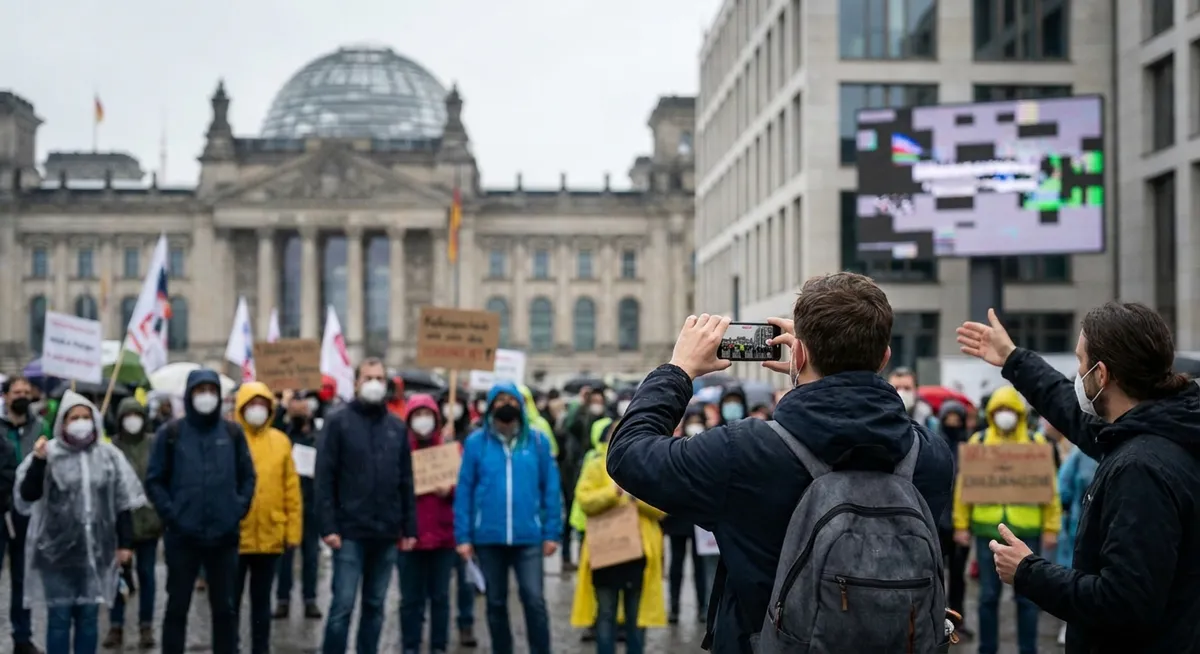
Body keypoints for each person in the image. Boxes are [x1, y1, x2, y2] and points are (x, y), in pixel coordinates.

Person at [606, 272, 955, 652]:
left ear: (799, 354)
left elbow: (628, 453)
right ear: (885, 358)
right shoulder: (930, 456)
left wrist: (678, 369)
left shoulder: (744, 452)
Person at [957, 304, 1200, 653]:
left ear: (1101, 375)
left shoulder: (1140, 468)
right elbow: (1072, 414)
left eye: (1080, 361)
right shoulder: (1160, 431)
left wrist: (1028, 571)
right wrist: (1013, 360)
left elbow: (1123, 603)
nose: (1077, 375)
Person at [15, 391, 146, 654]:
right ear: (62, 422)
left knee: (88, 620)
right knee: (60, 619)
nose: (81, 422)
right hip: (56, 555)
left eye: (86, 417)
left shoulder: (108, 456)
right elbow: (28, 496)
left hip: (95, 552)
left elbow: (121, 502)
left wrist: (125, 544)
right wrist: (39, 462)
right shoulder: (49, 453)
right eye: (74, 417)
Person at [144, 369, 257, 654]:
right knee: (177, 607)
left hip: (224, 537)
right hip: (183, 538)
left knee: (225, 610)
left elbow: (248, 477)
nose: (205, 396)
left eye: (211, 390)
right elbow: (155, 480)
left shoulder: (232, 433)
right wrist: (173, 515)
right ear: (190, 394)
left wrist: (237, 509)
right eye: (200, 390)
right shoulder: (170, 433)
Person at [316, 358, 418, 654]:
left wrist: (409, 526)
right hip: (348, 531)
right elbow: (325, 477)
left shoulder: (396, 428)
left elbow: (406, 480)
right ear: (357, 382)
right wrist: (328, 525)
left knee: (375, 607)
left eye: (380, 377)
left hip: (386, 531)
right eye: (369, 377)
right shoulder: (338, 421)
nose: (375, 383)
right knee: (342, 606)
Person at [454, 380, 561, 654]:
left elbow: (550, 488)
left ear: (522, 407)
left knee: (534, 600)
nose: (506, 406)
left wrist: (552, 532)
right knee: (495, 603)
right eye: (500, 401)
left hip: (529, 538)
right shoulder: (476, 443)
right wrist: (463, 536)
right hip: (489, 538)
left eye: (512, 400)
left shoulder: (537, 441)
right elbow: (465, 490)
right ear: (490, 407)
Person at [951, 386, 1061, 654]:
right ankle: (986, 649)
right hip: (986, 530)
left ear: (1019, 414)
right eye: (999, 410)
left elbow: (1050, 489)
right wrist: (961, 524)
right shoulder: (978, 442)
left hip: (1027, 530)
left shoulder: (1035, 444)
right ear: (990, 413)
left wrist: (1050, 527)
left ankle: (1028, 650)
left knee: (1027, 598)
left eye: (1009, 410)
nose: (1004, 415)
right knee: (988, 596)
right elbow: (964, 487)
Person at [571, 419, 667, 654]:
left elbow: (662, 508)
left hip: (640, 553)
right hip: (604, 551)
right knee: (605, 613)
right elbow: (584, 500)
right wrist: (613, 493)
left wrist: (634, 496)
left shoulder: (648, 465)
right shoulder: (595, 464)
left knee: (636, 616)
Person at [233, 382, 302, 654]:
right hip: (237, 535)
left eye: (262, 405)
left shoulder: (281, 441)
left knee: (262, 603)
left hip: (271, 535)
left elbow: (291, 490)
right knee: (231, 602)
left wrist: (293, 531)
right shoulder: (231, 438)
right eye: (252, 405)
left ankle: (260, 649)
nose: (257, 410)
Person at [398, 394, 458, 654]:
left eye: (427, 415)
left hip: (444, 537)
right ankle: (410, 646)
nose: (423, 421)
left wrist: (451, 490)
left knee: (441, 598)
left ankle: (439, 647)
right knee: (411, 600)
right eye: (417, 415)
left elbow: (465, 488)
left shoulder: (450, 449)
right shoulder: (399, 451)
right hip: (410, 537)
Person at [104, 398, 162, 650]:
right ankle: (116, 625)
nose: (132, 419)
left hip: (149, 523)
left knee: (147, 575)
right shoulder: (111, 448)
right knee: (118, 578)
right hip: (120, 525)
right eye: (127, 415)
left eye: (136, 414)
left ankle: (146, 625)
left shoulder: (153, 444)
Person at [274, 391, 323, 620]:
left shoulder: (318, 431)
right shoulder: (283, 431)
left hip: (312, 503)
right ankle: (283, 599)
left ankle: (310, 599)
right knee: (285, 557)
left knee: (311, 555)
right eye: (296, 401)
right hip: (286, 503)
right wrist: (283, 407)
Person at [435, 389, 478, 648]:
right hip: (438, 520)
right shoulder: (435, 436)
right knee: (439, 583)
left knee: (465, 579)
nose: (453, 409)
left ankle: (466, 623)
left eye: (458, 404)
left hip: (464, 519)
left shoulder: (472, 437)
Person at [662, 404, 709, 624]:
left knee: (699, 567)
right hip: (677, 516)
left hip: (699, 519)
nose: (694, 426)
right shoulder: (675, 445)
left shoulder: (710, 446)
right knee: (676, 565)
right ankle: (673, 606)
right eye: (691, 421)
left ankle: (703, 606)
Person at [0, 377, 37, 654]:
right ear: (5, 396)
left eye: (26, 391)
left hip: (29, 514)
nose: (22, 396)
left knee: (23, 578)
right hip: (1, 511)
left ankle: (22, 637)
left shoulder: (41, 427)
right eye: (17, 392)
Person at [935, 399, 972, 640]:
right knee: (937, 576)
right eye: (948, 420)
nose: (952, 424)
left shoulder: (970, 448)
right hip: (939, 521)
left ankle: (958, 620)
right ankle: (938, 618)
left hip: (961, 523)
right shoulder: (936, 445)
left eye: (956, 420)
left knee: (958, 577)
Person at [1055, 443, 1097, 646]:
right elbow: (1064, 484)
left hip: (1105, 528)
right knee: (1075, 572)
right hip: (1079, 524)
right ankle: (1069, 622)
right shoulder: (1082, 452)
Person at [889, 367, 938, 431]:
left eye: (907, 388)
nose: (901, 392)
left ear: (916, 389)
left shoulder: (925, 415)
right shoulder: (881, 412)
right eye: (896, 388)